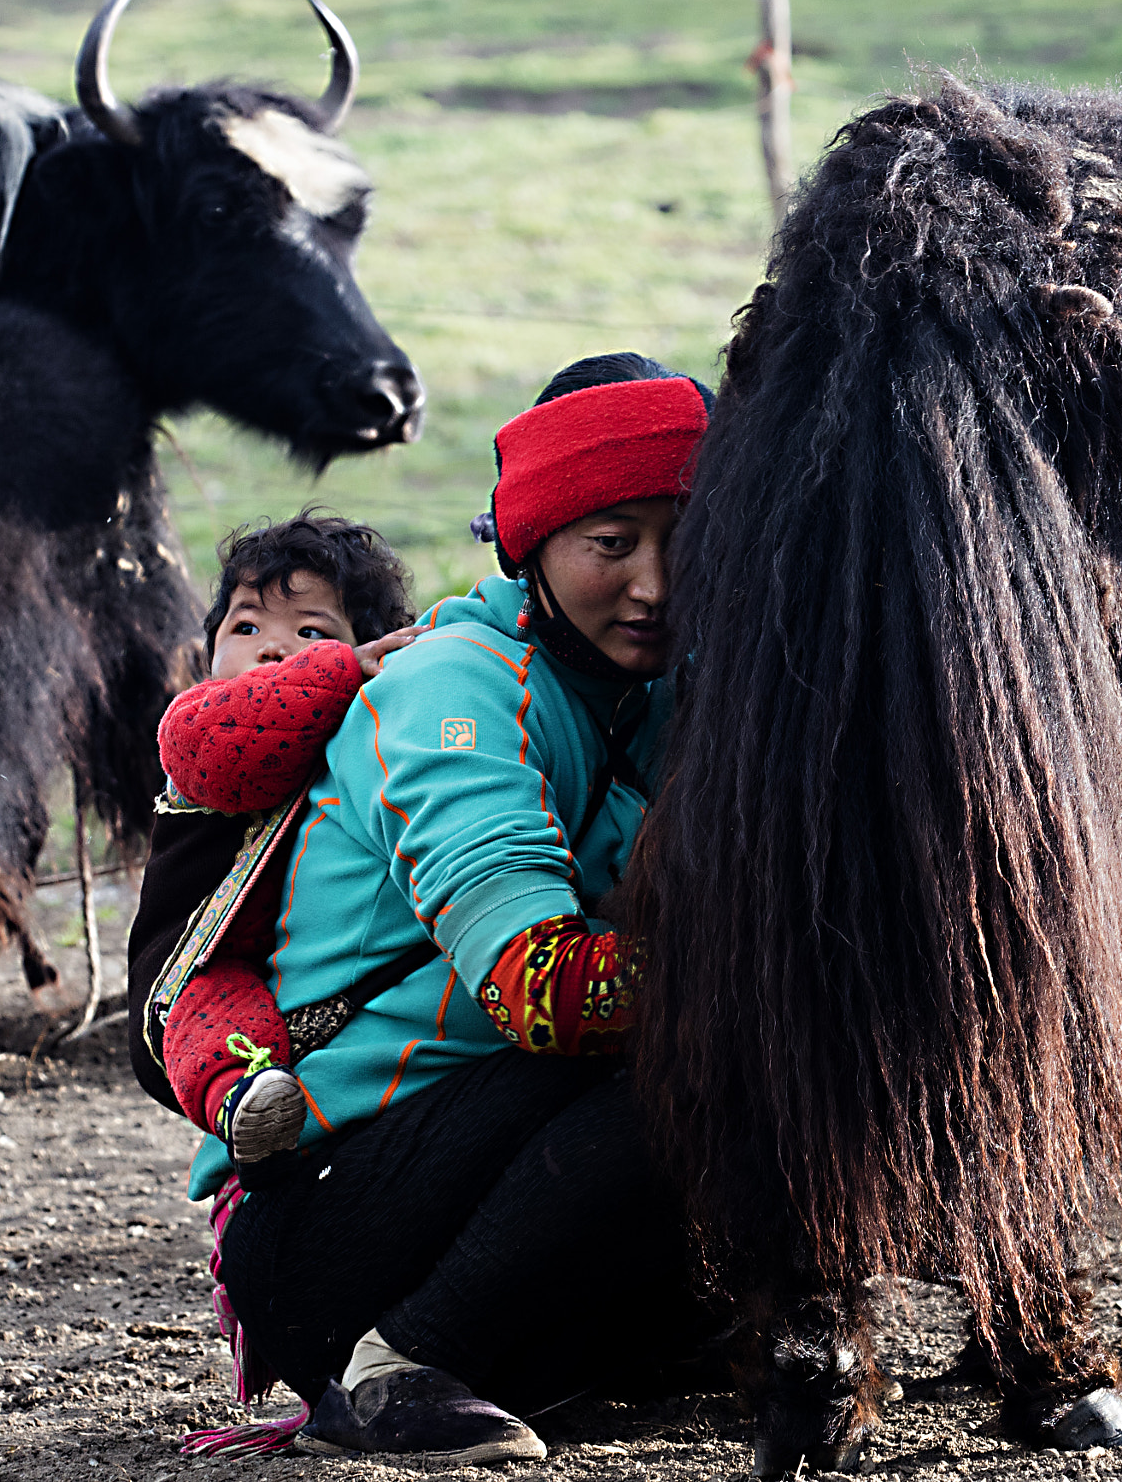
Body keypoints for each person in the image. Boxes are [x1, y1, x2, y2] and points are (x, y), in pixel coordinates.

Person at [188, 353, 718, 1465]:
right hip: (329, 1217)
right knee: (713, 1058)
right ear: (528, 543)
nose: (655, 586)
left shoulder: (664, 696)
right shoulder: (454, 687)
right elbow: (546, 991)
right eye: (609, 543)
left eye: (686, 539)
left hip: (502, 1175)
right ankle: (395, 1369)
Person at [127, 513, 421, 1169]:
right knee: (217, 1018)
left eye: (311, 631)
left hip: (310, 964)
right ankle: (246, 1102)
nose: (272, 648)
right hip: (203, 957)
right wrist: (336, 666)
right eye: (248, 626)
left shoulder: (359, 742)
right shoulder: (196, 724)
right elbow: (240, 749)